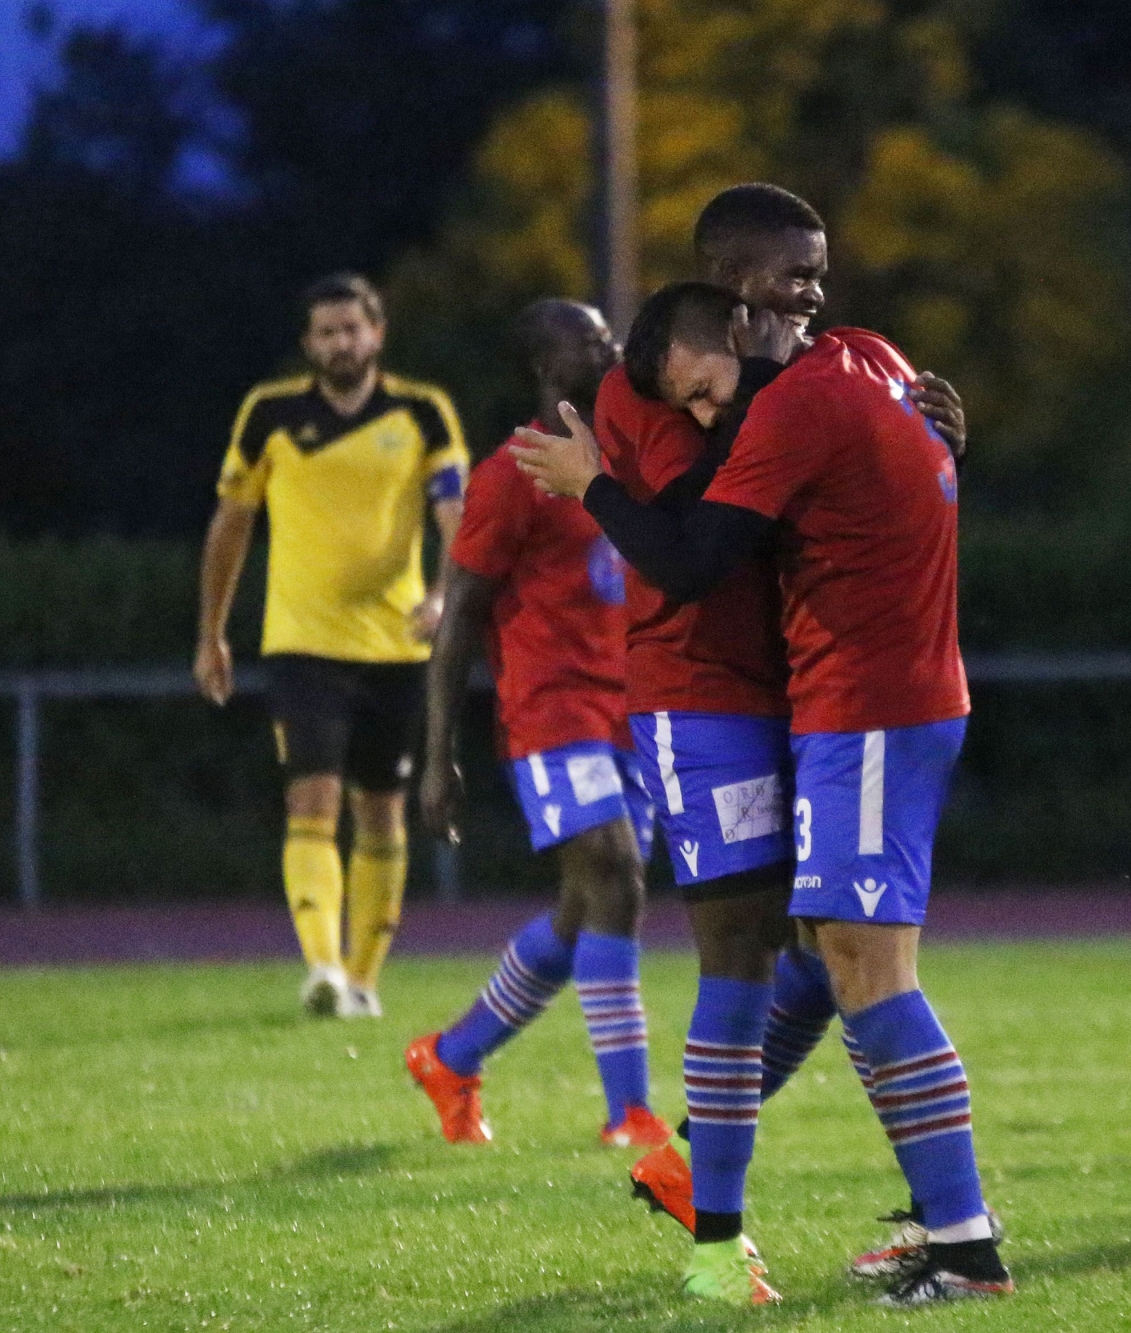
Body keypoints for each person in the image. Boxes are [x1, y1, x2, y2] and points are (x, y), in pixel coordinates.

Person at [513, 280, 1010, 1307]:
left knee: (835, 964)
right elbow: (688, 559)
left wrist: (940, 430)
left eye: (813, 273)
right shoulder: (636, 394)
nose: (804, 293)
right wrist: (594, 483)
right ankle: (718, 1244)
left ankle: (913, 1221)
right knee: (760, 961)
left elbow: (837, 477)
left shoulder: (835, 368)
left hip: (831, 701)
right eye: (782, 275)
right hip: (705, 711)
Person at [403, 299, 671, 1150]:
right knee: (618, 880)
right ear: (550, 363)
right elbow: (458, 620)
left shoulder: (627, 456)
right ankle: (629, 1112)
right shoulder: (510, 475)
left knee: (582, 909)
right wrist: (436, 757)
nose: (615, 345)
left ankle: (452, 1054)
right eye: (594, 337)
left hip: (634, 712)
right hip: (553, 714)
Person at [195, 272, 468, 1019]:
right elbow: (230, 523)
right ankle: (321, 968)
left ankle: (363, 976)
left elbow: (457, 514)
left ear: (377, 333)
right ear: (308, 343)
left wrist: (446, 595)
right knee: (310, 800)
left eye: (354, 328)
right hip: (302, 643)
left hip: (398, 647)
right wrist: (211, 633)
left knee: (382, 812)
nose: (342, 342)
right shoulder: (270, 413)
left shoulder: (421, 412)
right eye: (327, 332)